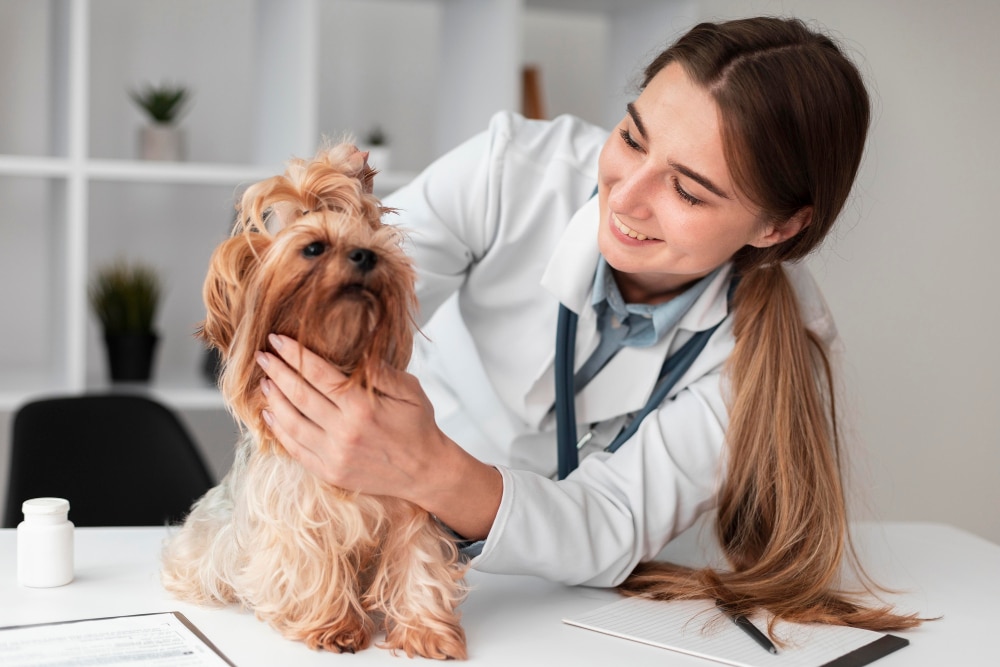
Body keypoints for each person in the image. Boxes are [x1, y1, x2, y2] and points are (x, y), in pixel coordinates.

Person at [255, 17, 921, 630]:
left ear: (779, 225)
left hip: (592, 607)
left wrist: (434, 471)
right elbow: (312, 321)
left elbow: (614, 520)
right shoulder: (512, 171)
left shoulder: (777, 344)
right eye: (632, 137)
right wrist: (320, 235)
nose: (625, 197)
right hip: (384, 549)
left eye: (688, 189)